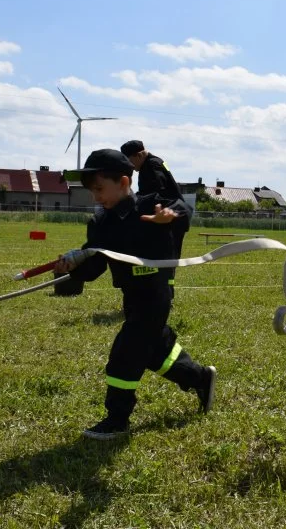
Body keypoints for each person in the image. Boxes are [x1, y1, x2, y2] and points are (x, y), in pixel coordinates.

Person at [57, 149, 216, 441]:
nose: (96, 197)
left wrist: (170, 216)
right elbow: (95, 267)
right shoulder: (100, 224)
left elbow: (183, 208)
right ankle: (200, 377)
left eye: (100, 189)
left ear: (124, 182)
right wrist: (72, 268)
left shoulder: (151, 205)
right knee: (156, 352)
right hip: (131, 296)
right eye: (92, 192)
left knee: (126, 353)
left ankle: (118, 419)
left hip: (156, 293)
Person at [120, 140, 191, 301]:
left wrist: (135, 202)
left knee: (165, 259)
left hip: (169, 218)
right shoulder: (156, 162)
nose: (130, 167)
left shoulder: (151, 166)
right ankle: (164, 295)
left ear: (138, 155)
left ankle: (164, 296)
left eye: (129, 161)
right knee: (167, 259)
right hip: (171, 217)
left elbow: (156, 194)